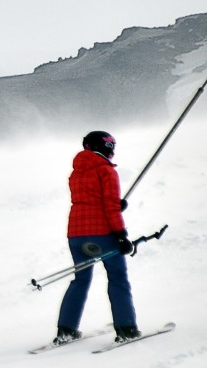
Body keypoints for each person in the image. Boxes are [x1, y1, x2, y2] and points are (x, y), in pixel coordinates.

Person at [53, 131, 141, 345]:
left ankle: (66, 329)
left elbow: (90, 199)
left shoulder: (76, 173)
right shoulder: (106, 171)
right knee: (118, 277)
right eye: (112, 145)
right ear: (106, 147)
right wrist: (121, 235)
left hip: (76, 234)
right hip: (102, 234)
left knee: (81, 279)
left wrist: (116, 203)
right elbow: (109, 207)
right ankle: (126, 328)